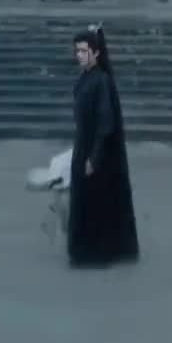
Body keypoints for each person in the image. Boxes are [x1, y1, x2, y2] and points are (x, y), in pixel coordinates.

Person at [66, 25, 139, 268]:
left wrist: (94, 157)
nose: (79, 55)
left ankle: (94, 252)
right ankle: (83, 250)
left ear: (96, 53)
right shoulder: (86, 78)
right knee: (83, 200)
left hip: (94, 151)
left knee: (94, 202)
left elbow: (106, 122)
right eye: (77, 51)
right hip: (83, 145)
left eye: (84, 51)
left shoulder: (101, 81)